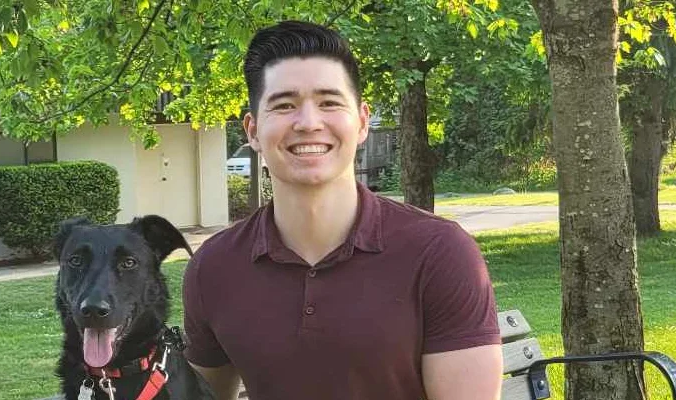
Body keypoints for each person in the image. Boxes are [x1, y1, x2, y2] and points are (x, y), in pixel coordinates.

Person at [181, 20, 503, 400]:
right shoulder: (214, 268)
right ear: (252, 131)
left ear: (362, 121)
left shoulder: (439, 252)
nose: (308, 123)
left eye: (329, 103)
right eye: (284, 105)